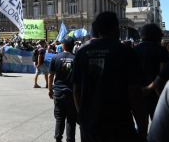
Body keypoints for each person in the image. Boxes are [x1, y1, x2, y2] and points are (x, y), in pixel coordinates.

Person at [72, 12, 148, 142]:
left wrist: (82, 116)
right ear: (116, 28)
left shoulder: (82, 53)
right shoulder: (126, 52)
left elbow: (76, 90)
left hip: (90, 126)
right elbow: (135, 94)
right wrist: (142, 128)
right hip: (119, 125)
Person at [133, 23, 169, 120]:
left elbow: (131, 73)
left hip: (139, 92)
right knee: (158, 126)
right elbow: (163, 74)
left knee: (141, 126)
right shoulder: (161, 50)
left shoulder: (134, 50)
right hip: (156, 94)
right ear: (156, 35)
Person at [48, 36, 77, 142]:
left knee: (59, 118)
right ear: (73, 46)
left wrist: (50, 89)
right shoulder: (76, 58)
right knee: (71, 120)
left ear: (63, 45)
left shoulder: (55, 58)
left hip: (59, 92)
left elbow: (50, 75)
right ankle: (70, 140)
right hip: (71, 93)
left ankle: (58, 139)